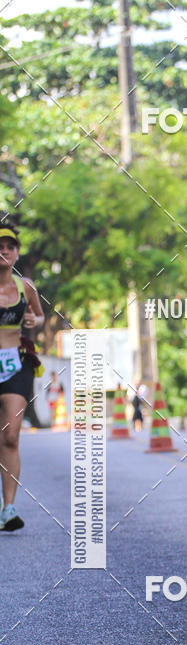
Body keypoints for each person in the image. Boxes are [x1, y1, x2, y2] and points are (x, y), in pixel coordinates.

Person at [0, 217, 45, 531]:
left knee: (11, 436)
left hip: (16, 363)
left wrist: (33, 322)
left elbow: (40, 318)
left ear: (17, 253)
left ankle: (9, 508)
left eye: (9, 246)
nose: (4, 251)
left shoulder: (25, 287)